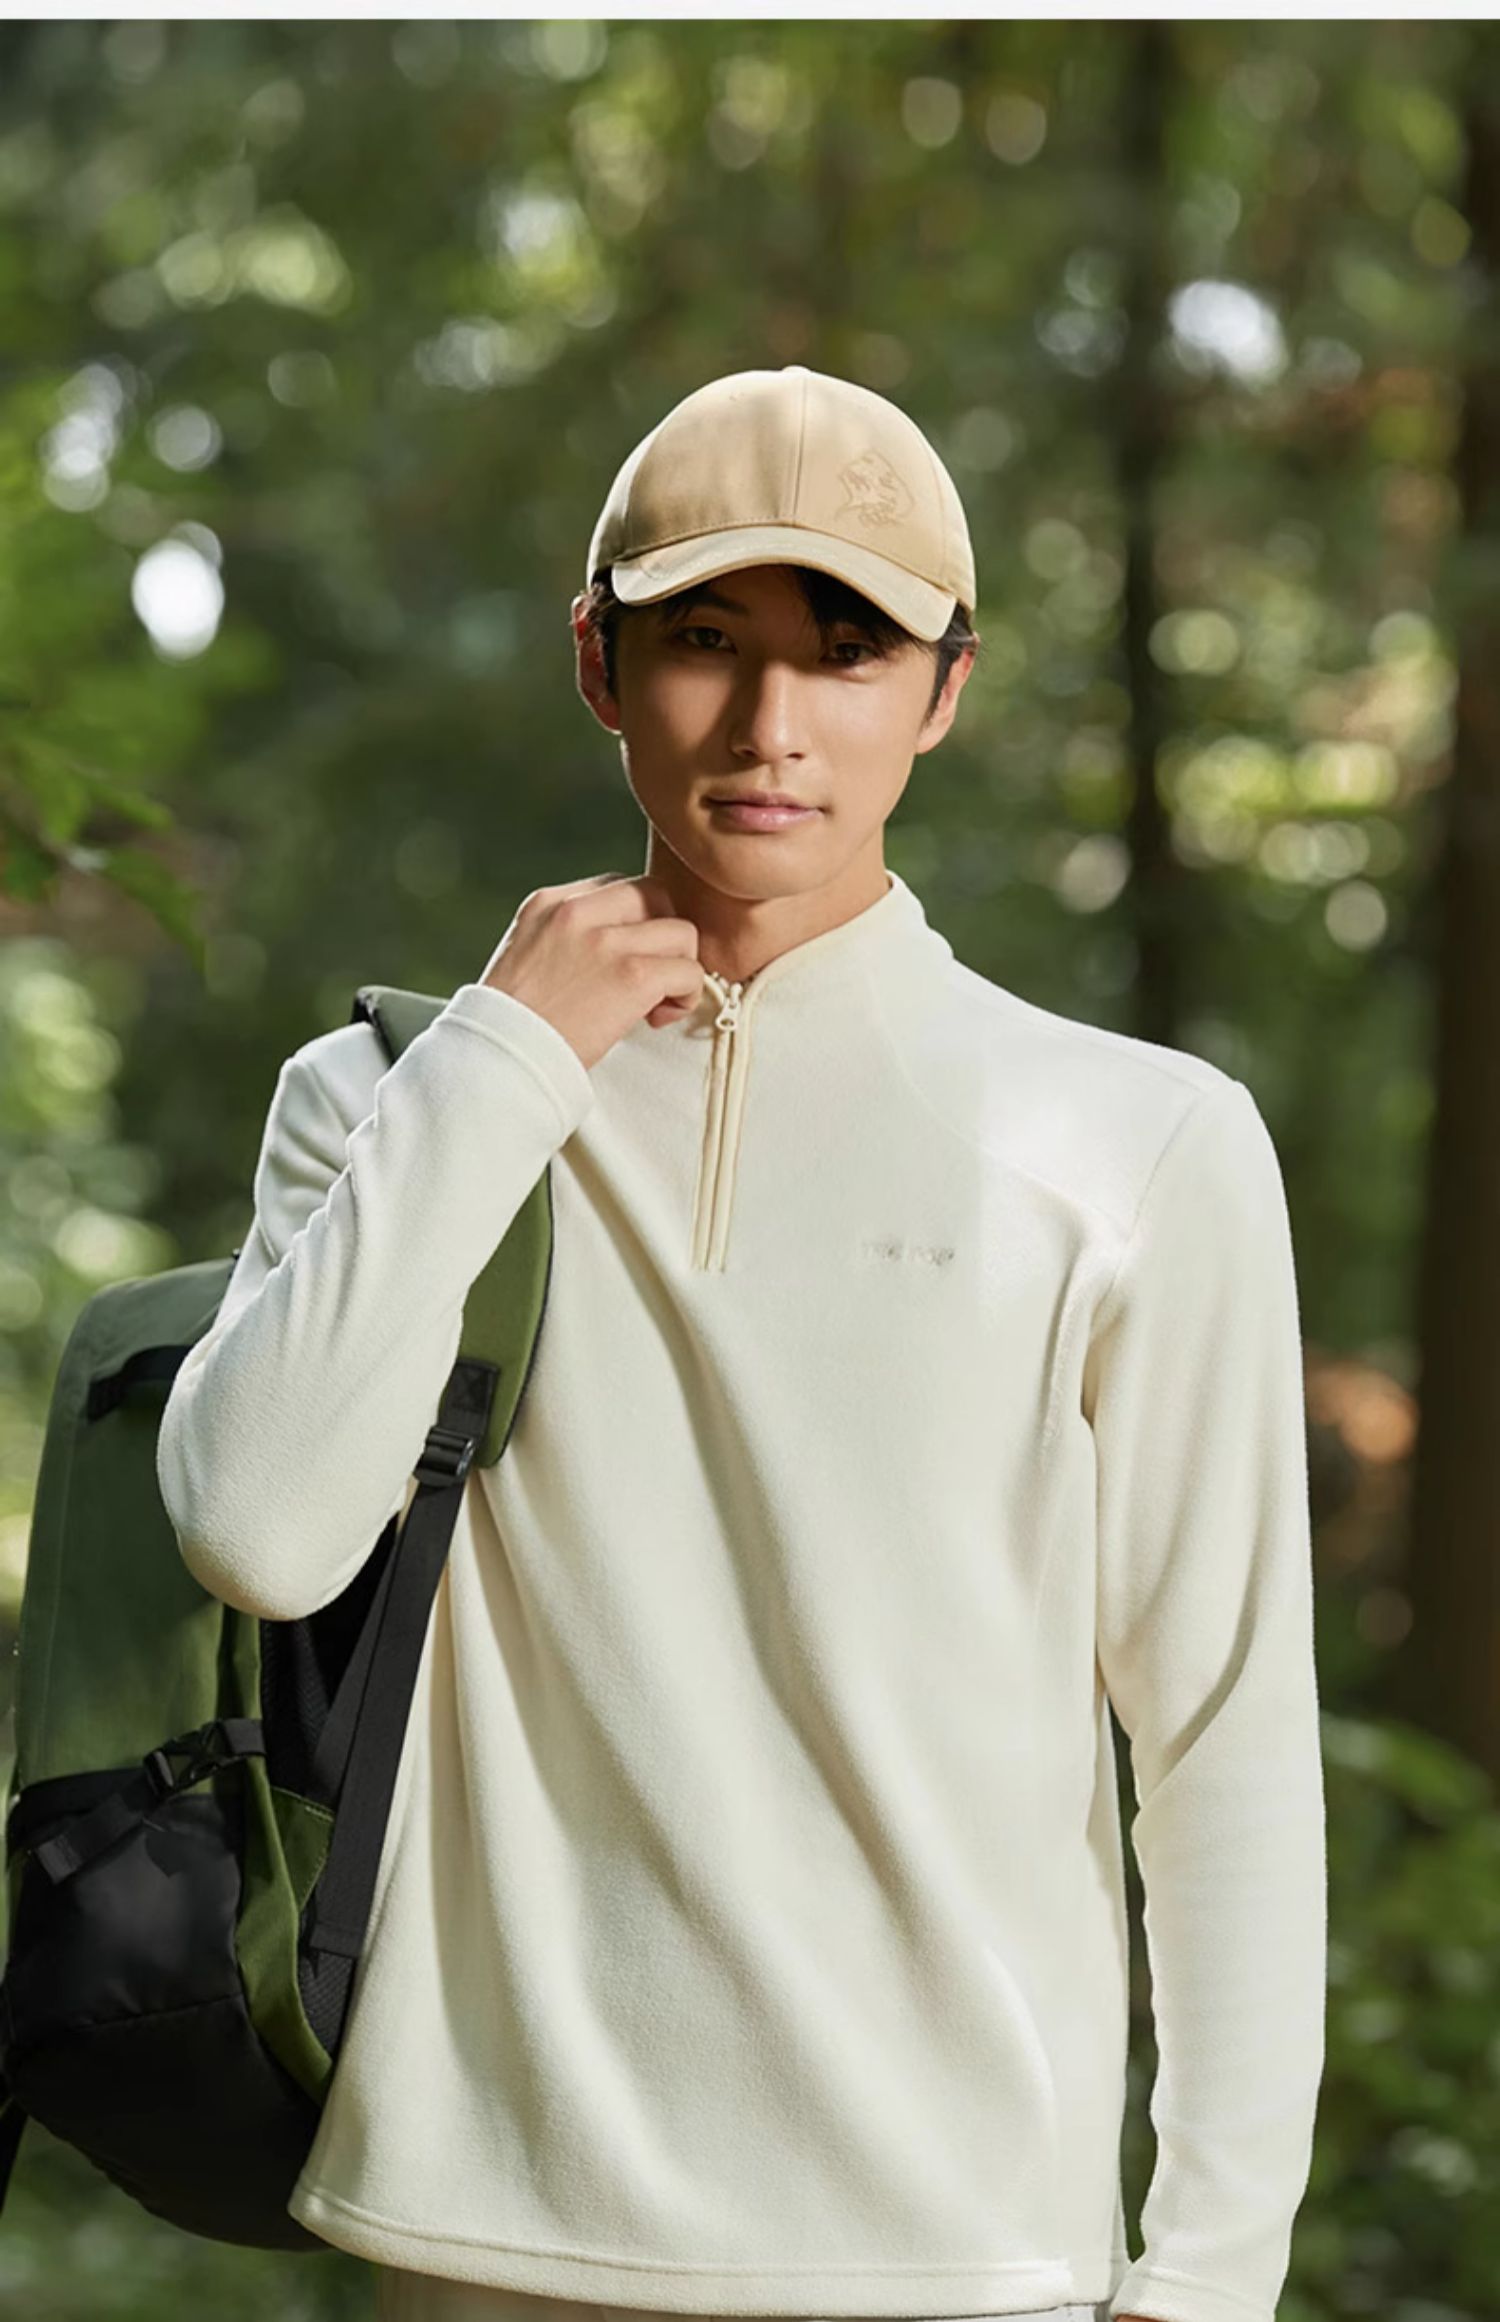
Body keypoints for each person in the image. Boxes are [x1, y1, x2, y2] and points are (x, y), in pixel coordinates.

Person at [155, 365, 1325, 2322]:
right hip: (473, 2231)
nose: (774, 722)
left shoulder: (1135, 1147)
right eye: (708, 639)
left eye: (846, 650)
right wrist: (505, 1058)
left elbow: (1220, 1743)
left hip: (955, 2252)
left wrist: (1209, 2279)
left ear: (943, 689)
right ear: (598, 663)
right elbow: (257, 1529)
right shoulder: (393, 1101)